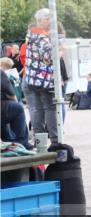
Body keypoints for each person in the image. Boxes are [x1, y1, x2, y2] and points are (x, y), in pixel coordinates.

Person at [23, 8, 60, 142]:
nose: (50, 21)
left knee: (35, 110)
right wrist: (60, 49)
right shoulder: (42, 36)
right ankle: (56, 141)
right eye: (47, 18)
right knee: (50, 109)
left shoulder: (31, 33)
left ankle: (40, 143)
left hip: (29, 78)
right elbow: (48, 56)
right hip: (43, 80)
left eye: (51, 18)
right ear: (39, 20)